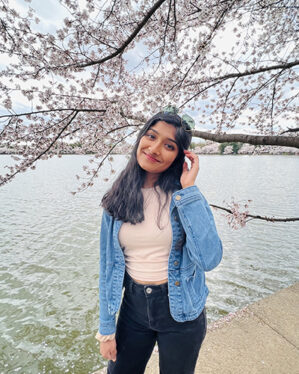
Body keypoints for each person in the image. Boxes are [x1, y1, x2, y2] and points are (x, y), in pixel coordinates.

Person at [95, 107, 223, 374]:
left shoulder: (183, 198)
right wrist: (106, 330)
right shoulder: (116, 199)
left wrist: (189, 190)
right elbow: (108, 267)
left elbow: (209, 259)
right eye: (151, 137)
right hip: (133, 310)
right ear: (141, 138)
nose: (154, 148)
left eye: (169, 145)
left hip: (182, 311)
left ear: (179, 156)